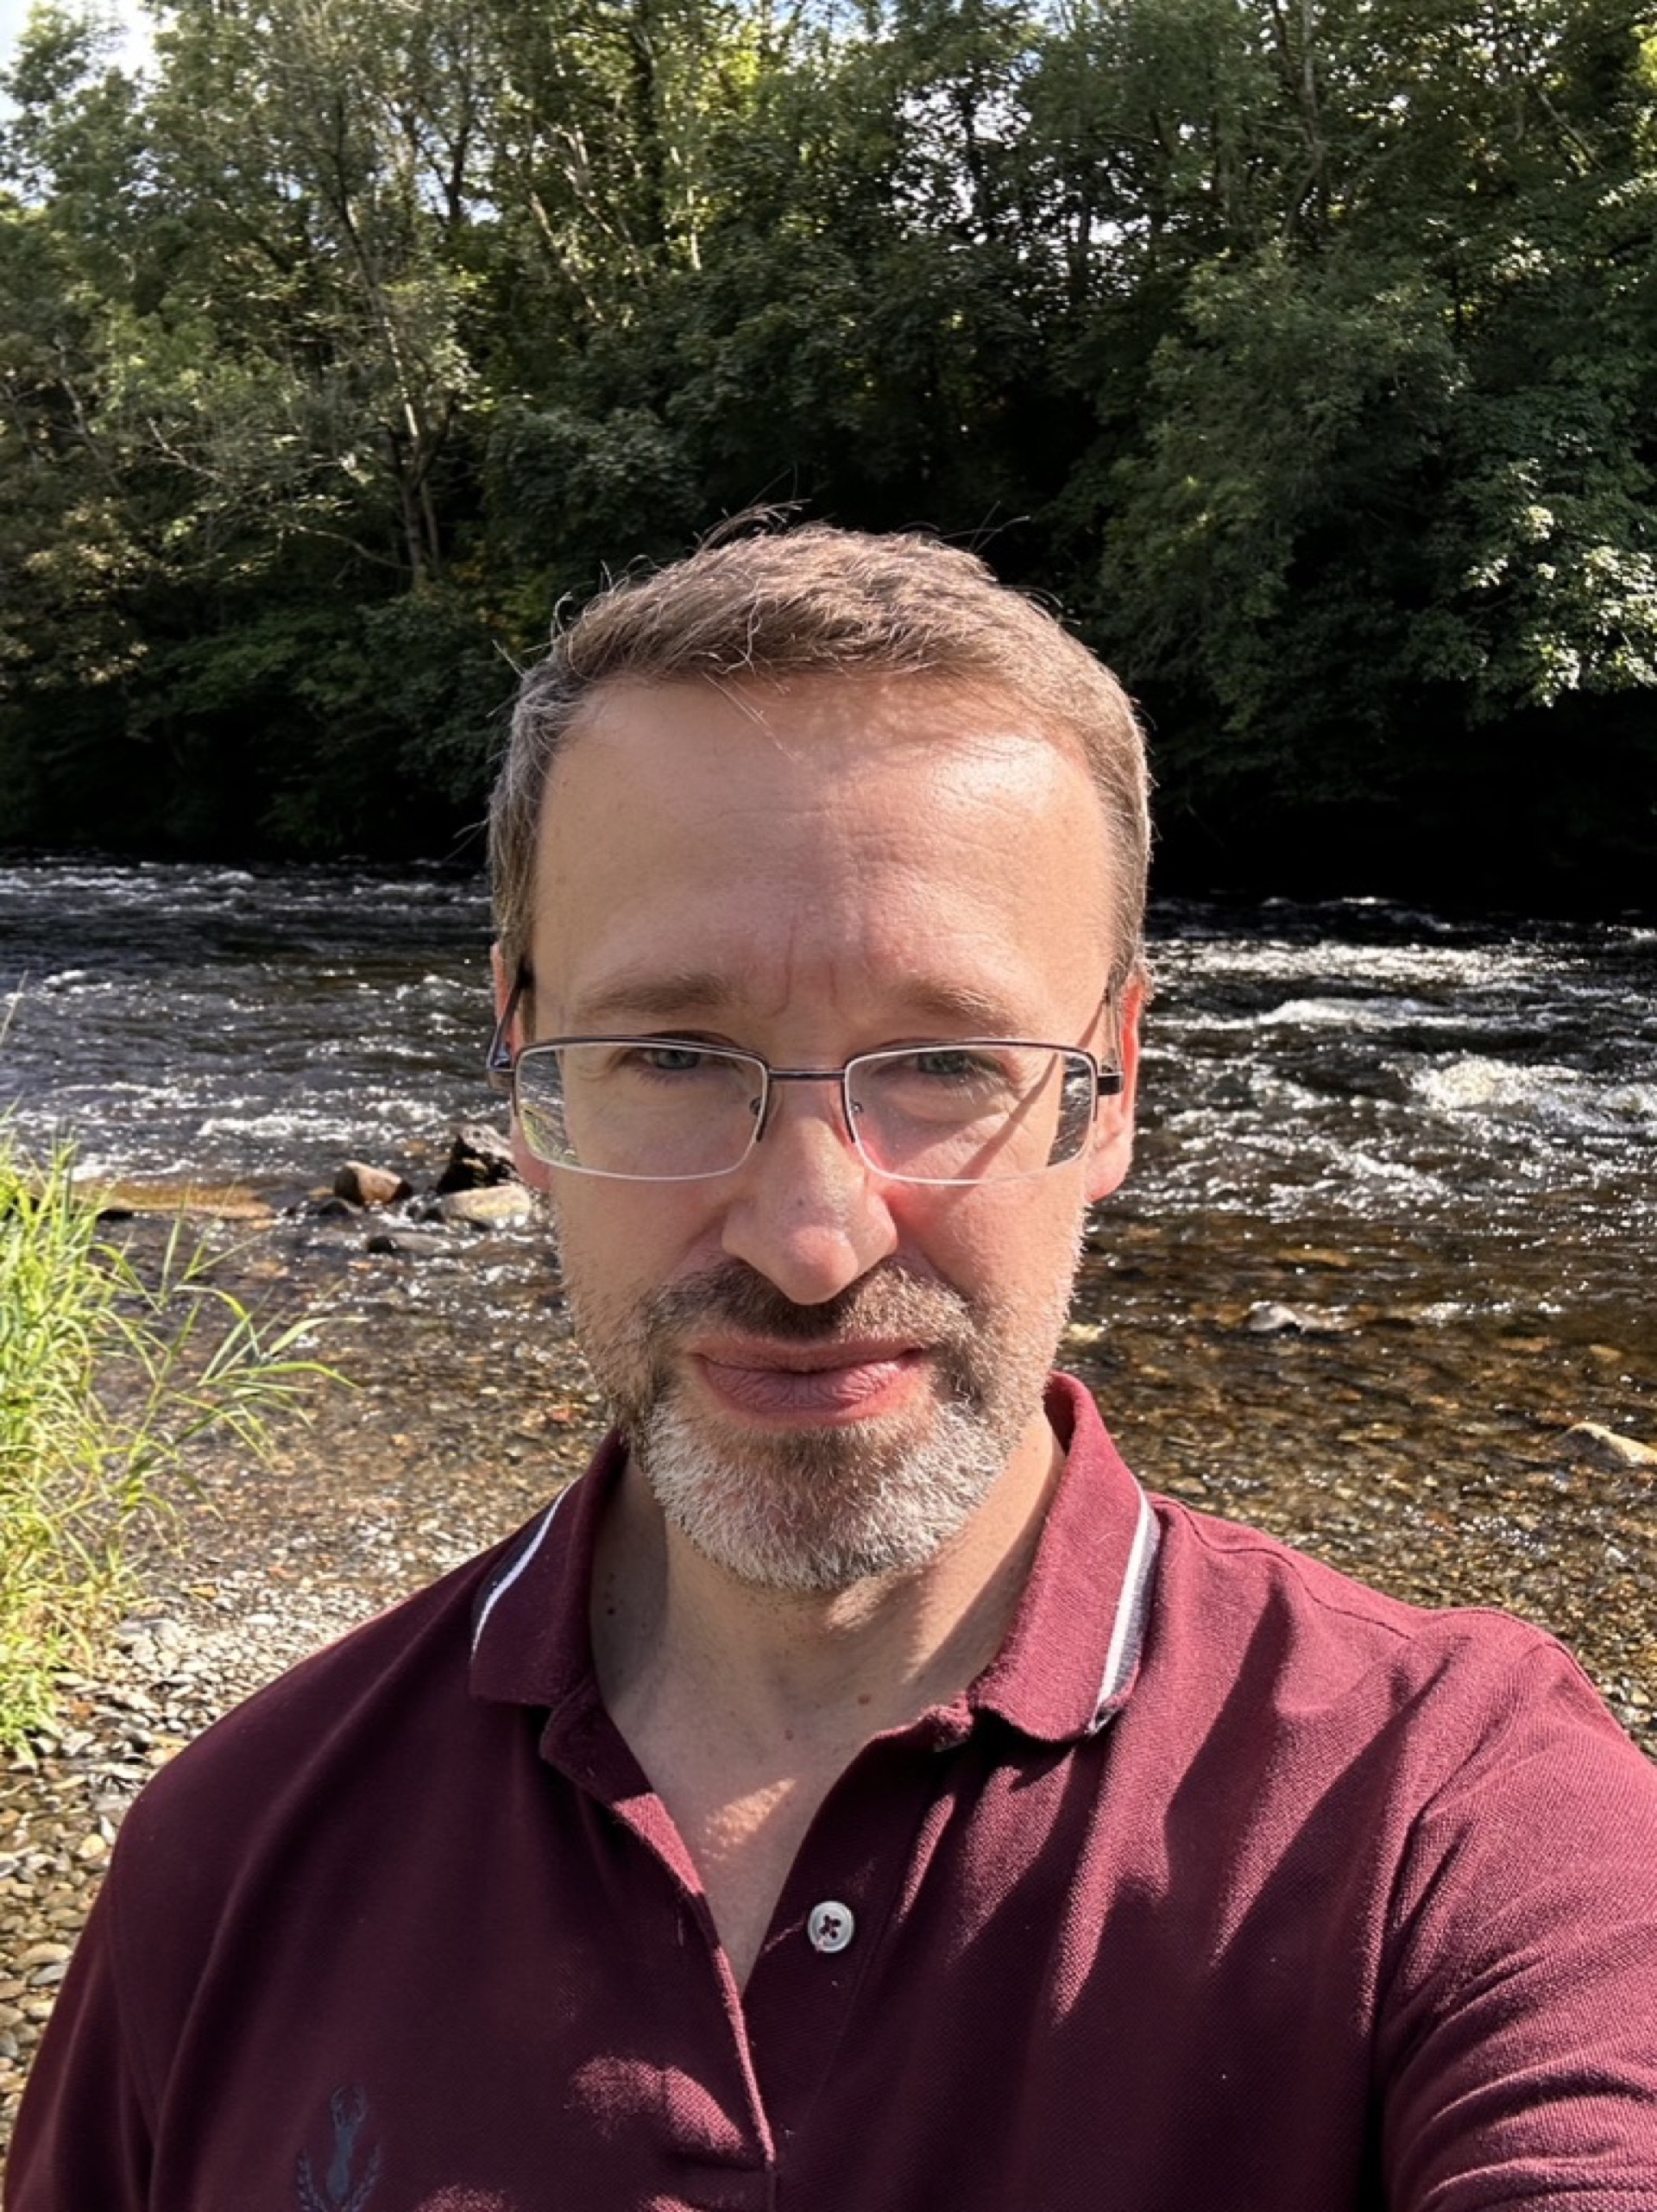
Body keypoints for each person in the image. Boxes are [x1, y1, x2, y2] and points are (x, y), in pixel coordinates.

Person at [8, 525, 1657, 2212]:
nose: (815, 1236)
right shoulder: (232, 1863)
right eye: (668, 1051)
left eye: (946, 1060)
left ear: (1115, 1084)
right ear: (525, 1076)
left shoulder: (1450, 1821)